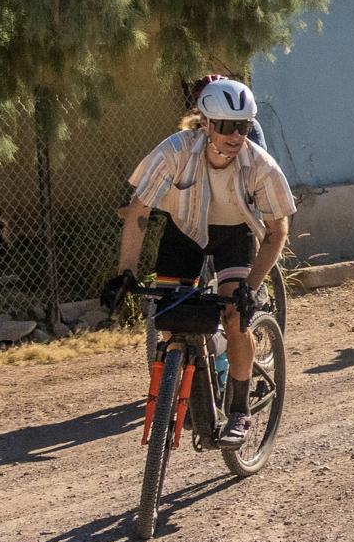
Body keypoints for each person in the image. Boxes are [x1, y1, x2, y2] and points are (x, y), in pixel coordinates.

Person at [99, 78, 295, 447]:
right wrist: (125, 271)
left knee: (236, 317)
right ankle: (186, 387)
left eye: (243, 126)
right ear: (205, 123)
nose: (236, 136)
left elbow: (276, 231)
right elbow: (138, 212)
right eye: (225, 126)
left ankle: (239, 411)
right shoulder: (174, 152)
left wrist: (251, 288)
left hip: (234, 234)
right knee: (172, 318)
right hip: (184, 231)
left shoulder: (260, 165)